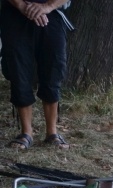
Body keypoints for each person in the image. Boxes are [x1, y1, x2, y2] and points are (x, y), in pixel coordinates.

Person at [1, 0, 72, 149]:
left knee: (53, 70)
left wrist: (47, 7)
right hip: (15, 13)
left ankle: (52, 133)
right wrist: (22, 6)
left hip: (53, 15)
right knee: (18, 72)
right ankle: (26, 133)